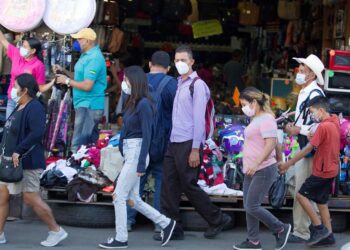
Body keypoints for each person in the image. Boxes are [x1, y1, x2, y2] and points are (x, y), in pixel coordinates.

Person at [156, 45, 231, 242]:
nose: (179, 63)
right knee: (169, 185)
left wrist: (195, 149)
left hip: (189, 142)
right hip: (174, 140)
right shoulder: (179, 83)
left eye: (183, 60)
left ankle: (217, 218)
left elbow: (199, 120)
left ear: (191, 62)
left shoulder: (197, 85)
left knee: (188, 185)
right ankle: (173, 227)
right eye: (177, 60)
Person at [99, 66, 176, 249]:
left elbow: (147, 134)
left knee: (119, 195)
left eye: (126, 80)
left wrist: (141, 162)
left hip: (137, 153)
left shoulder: (144, 104)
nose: (123, 83)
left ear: (134, 82)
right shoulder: (134, 102)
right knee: (134, 199)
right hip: (132, 152)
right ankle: (165, 223)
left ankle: (121, 238)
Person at [0, 74, 67, 247]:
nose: (13, 90)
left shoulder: (34, 107)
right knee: (2, 196)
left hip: (27, 162)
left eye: (15, 86)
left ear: (25, 90)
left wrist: (18, 151)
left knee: (31, 198)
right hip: (9, 162)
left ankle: (56, 230)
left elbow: (37, 133)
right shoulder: (19, 105)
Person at [233, 87, 291, 250]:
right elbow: (276, 143)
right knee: (248, 205)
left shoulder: (266, 118)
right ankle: (253, 241)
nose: (243, 108)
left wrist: (258, 163)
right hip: (252, 168)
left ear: (254, 102)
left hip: (263, 168)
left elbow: (271, 143)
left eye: (244, 104)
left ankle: (280, 228)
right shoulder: (257, 118)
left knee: (252, 205)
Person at [127, 51, 177, 232]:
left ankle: (128, 220)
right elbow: (176, 114)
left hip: (139, 140)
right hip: (162, 141)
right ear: (169, 68)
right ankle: (159, 223)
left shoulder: (137, 82)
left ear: (149, 64)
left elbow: (127, 112)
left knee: (135, 182)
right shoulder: (172, 84)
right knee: (160, 182)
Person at [279, 96, 339, 247]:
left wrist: (288, 164)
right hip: (331, 169)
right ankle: (329, 236)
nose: (312, 115)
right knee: (322, 202)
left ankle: (319, 229)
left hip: (322, 170)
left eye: (312, 112)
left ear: (321, 110)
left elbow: (308, 149)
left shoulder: (323, 127)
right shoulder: (334, 121)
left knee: (301, 195)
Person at [284, 54, 326, 244]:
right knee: (294, 182)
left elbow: (320, 125)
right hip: (303, 145)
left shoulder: (315, 94)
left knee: (299, 187)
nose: (299, 74)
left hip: (310, 148)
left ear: (311, 75)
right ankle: (314, 219)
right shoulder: (306, 92)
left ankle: (302, 231)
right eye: (299, 70)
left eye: (302, 71)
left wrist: (298, 128)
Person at [54, 28, 107, 152]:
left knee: (79, 144)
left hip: (89, 105)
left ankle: (75, 168)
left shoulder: (94, 58)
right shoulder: (85, 55)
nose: (76, 41)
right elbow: (78, 77)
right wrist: (64, 71)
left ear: (87, 41)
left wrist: (66, 81)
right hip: (83, 104)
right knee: (85, 143)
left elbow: (87, 85)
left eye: (79, 39)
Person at [0, 31, 54, 119]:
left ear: (33, 50)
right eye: (22, 45)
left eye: (25, 47)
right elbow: (3, 40)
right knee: (8, 127)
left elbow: (40, 88)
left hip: (26, 103)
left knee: (21, 129)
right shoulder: (17, 54)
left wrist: (53, 82)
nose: (22, 48)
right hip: (12, 99)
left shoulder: (38, 65)